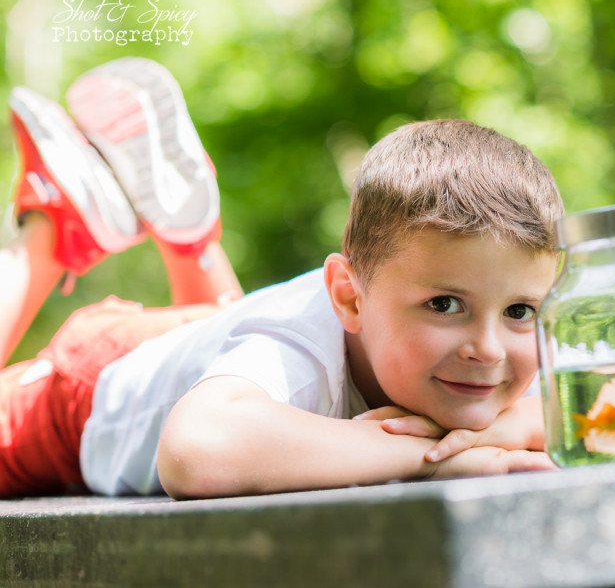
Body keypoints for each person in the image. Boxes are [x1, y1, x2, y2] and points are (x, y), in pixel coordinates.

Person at [0, 57, 562, 500]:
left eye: (520, 311)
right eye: (444, 304)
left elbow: (613, 400)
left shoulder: (473, 359)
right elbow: (196, 450)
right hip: (84, 390)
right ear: (350, 297)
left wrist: (505, 430)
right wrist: (425, 457)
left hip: (215, 338)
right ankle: (48, 230)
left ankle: (190, 242)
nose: (489, 350)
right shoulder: (296, 352)